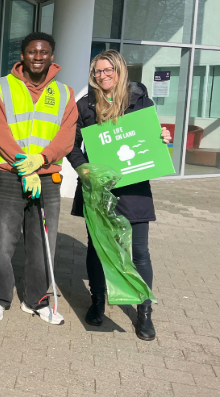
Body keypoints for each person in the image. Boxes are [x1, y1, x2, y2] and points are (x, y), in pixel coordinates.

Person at [67, 50, 170, 340]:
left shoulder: (140, 101)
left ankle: (144, 310)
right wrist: (82, 168)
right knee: (98, 249)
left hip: (134, 189)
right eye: (97, 71)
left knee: (139, 253)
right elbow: (71, 145)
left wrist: (163, 138)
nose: (102, 76)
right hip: (98, 189)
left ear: (120, 70)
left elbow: (153, 139)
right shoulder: (85, 104)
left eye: (107, 70)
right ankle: (97, 302)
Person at [0, 32, 77, 325]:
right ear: (22, 55)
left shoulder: (65, 93)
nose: (38, 57)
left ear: (52, 56)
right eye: (33, 52)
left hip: (48, 179)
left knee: (42, 245)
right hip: (10, 176)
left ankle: (36, 300)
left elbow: (67, 135)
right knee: (0, 244)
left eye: (44, 52)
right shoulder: (0, 87)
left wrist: (42, 160)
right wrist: (26, 166)